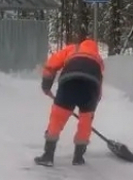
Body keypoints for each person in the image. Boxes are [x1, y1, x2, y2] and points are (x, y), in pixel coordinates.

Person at [34, 34, 104, 166]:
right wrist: (93, 105)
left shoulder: (73, 49)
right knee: (85, 123)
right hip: (90, 87)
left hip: (69, 84)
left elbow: (51, 65)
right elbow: (99, 82)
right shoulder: (98, 59)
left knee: (57, 119)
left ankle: (48, 156)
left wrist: (46, 86)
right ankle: (78, 157)